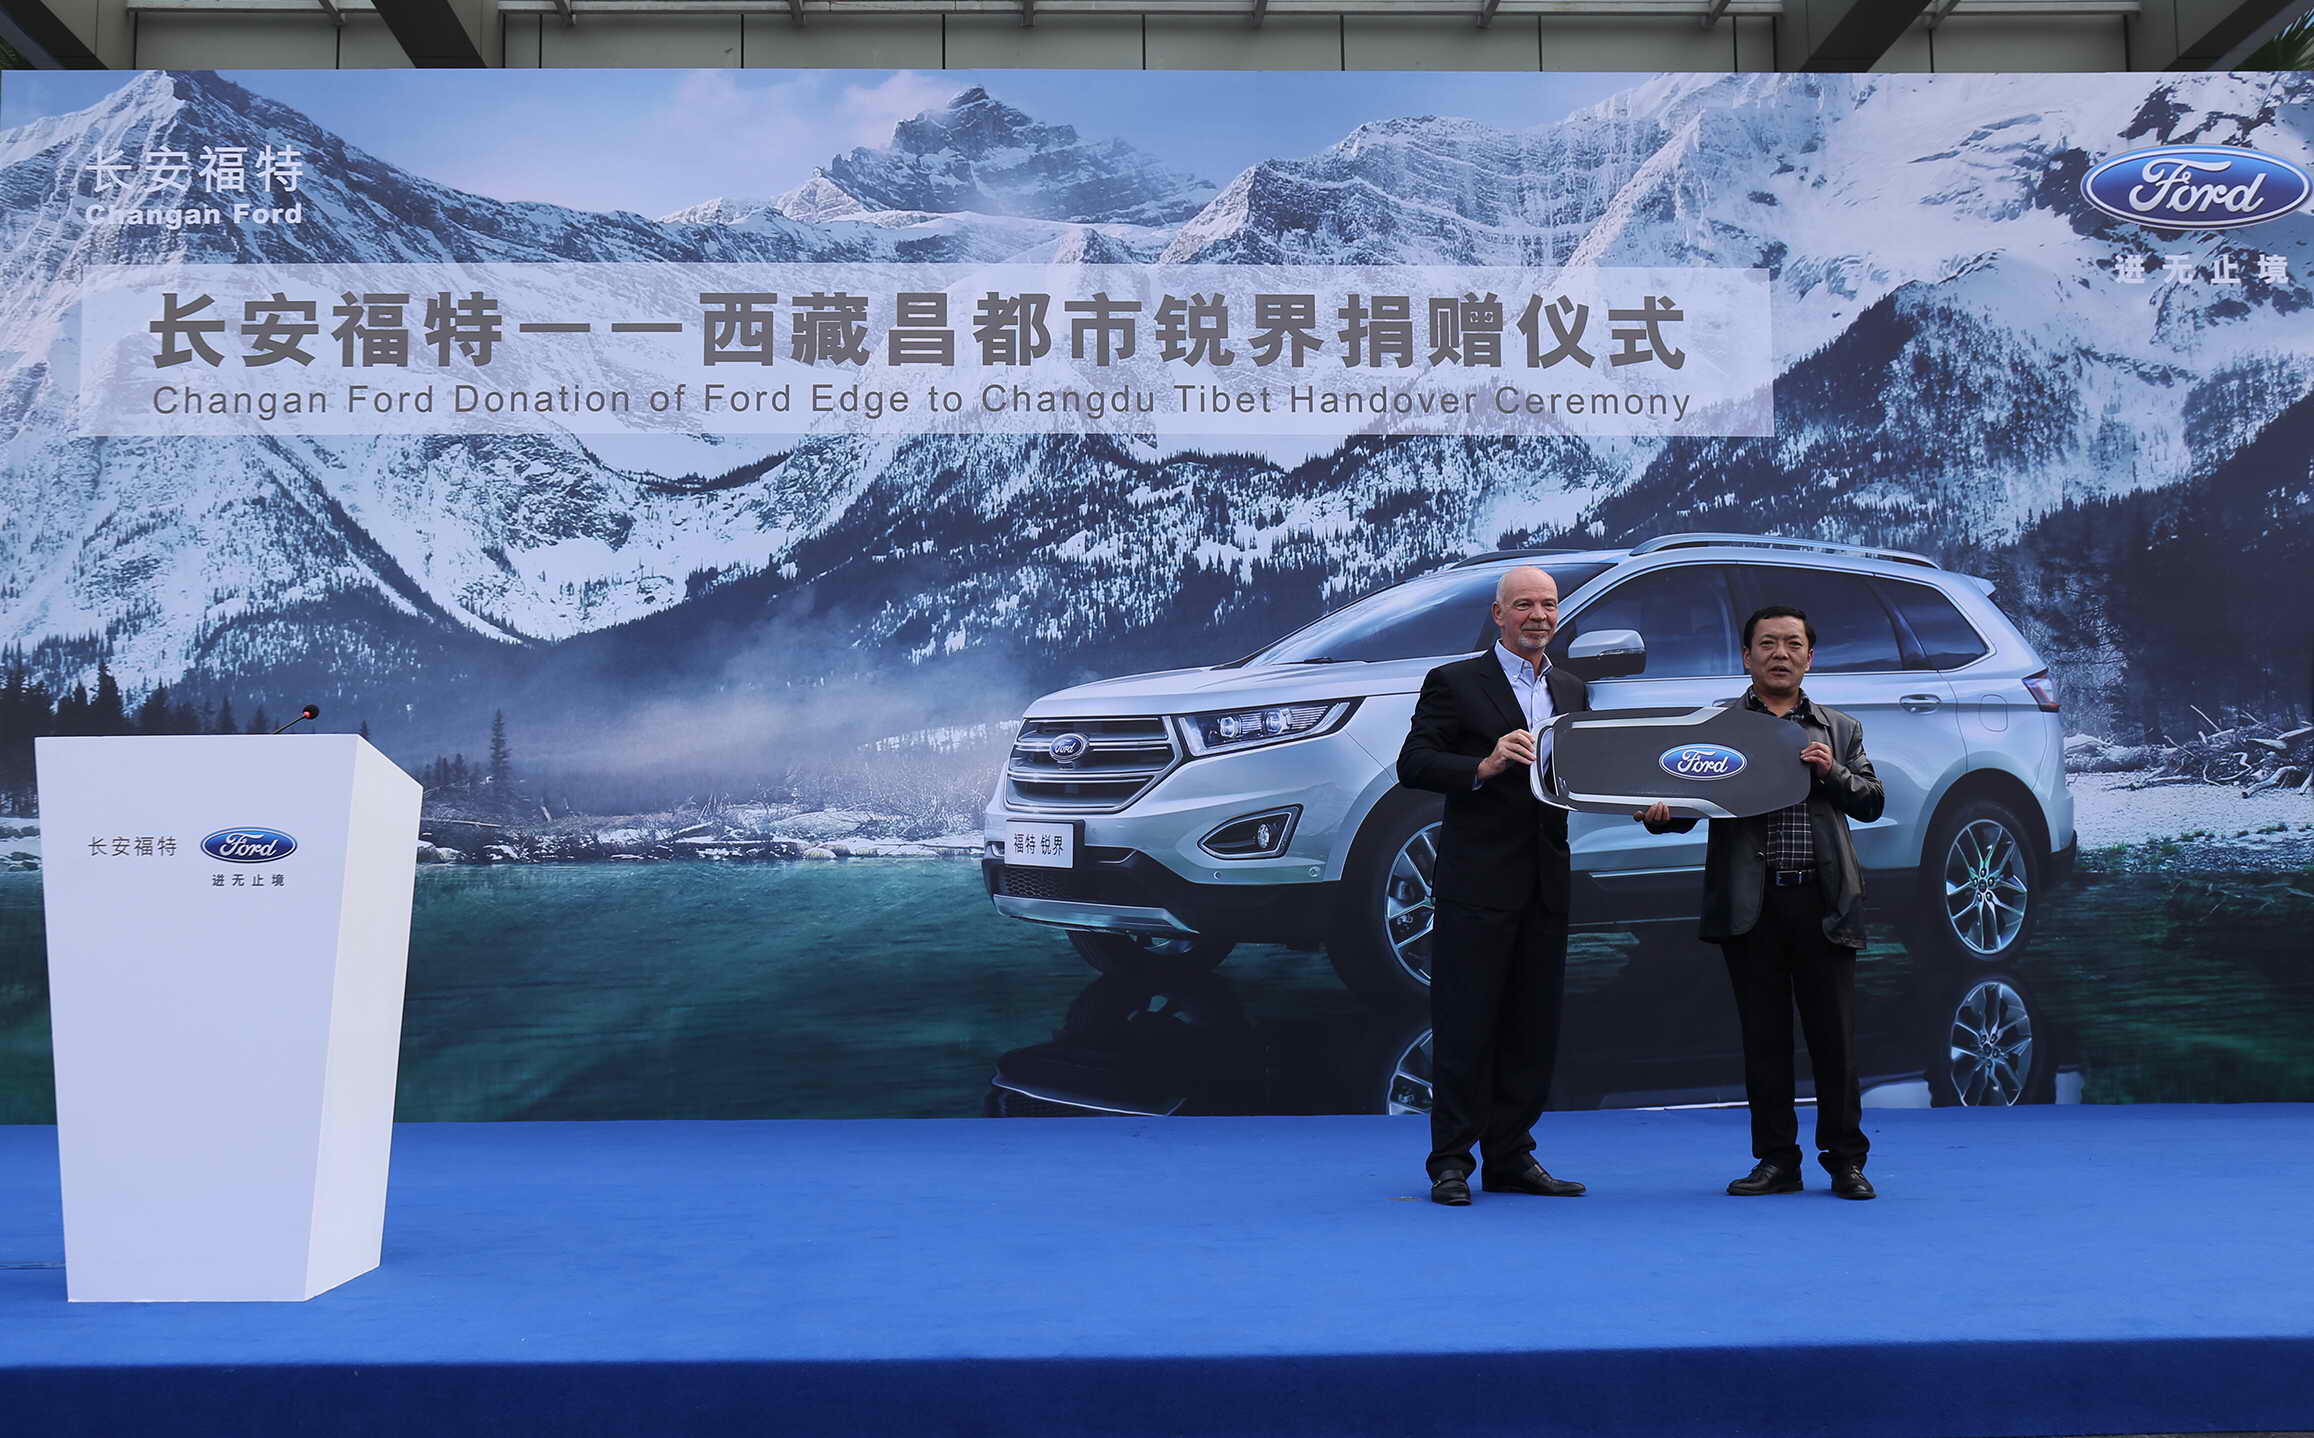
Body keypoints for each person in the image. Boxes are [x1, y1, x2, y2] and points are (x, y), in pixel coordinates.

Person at [1635, 604, 1885, 1200]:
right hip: (1751, 903)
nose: (1781, 654)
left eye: (1793, 644)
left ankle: (1846, 1162)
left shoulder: (1839, 729)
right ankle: (1777, 1161)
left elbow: (1871, 801)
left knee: (1834, 1040)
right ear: (1746, 657)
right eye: (1768, 643)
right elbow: (1686, 800)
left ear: (1809, 657)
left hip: (1823, 901)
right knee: (1764, 1040)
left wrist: (1831, 773)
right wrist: (1661, 816)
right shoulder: (1717, 726)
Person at [1396, 566, 1589, 1207]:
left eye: (1549, 605)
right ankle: (1451, 1163)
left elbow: (1585, 776)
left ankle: (1511, 1158)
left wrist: (1647, 801)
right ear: (1498, 614)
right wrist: (1483, 764)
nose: (1539, 615)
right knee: (1465, 1027)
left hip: (1545, 881)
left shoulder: (1570, 688)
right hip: (1476, 881)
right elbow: (1414, 763)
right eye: (1525, 604)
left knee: (1532, 1030)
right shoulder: (1453, 681)